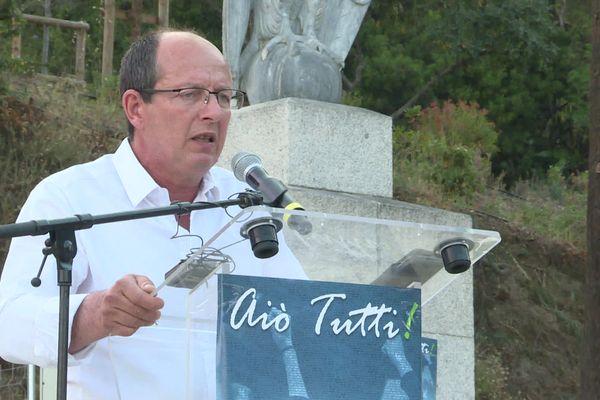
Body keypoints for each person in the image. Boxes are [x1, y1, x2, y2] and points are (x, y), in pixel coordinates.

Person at [0, 29, 306, 400]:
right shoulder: (69, 197)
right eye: (190, 94)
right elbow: (9, 323)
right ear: (135, 108)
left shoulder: (246, 203)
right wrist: (95, 313)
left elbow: (302, 317)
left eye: (224, 97)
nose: (213, 112)